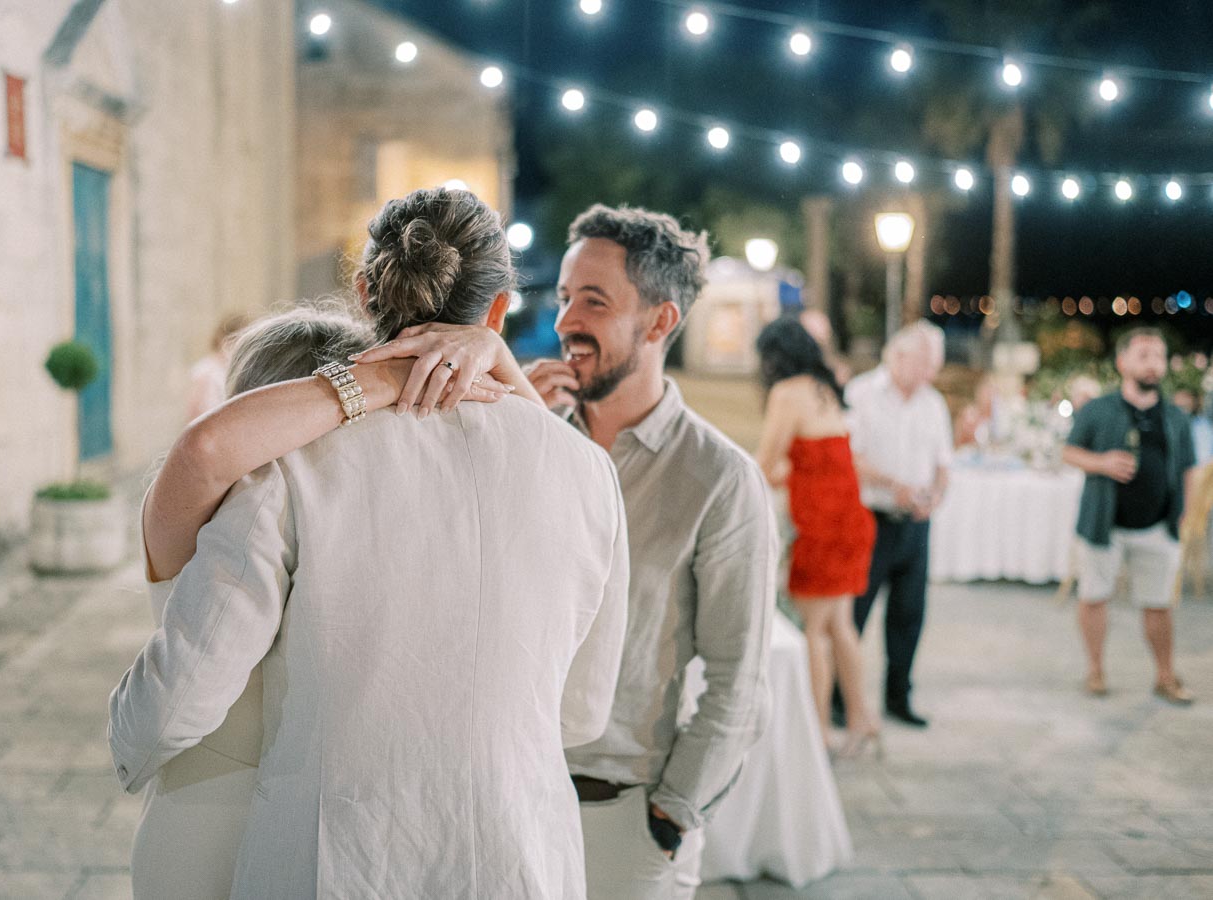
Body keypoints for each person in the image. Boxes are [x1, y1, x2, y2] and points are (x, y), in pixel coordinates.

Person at [110, 187, 632, 898]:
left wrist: (128, 737)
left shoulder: (294, 467)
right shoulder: (588, 473)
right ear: (499, 310)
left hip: (343, 859)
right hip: (518, 858)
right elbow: (581, 711)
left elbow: (183, 696)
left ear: (364, 296)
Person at [361, 203, 778, 900]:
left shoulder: (719, 479)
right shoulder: (525, 433)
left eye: (594, 301)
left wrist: (671, 814)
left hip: (623, 814)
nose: (563, 322)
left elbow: (738, 678)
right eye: (561, 297)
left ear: (660, 321)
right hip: (495, 802)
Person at [128, 305, 380, 900]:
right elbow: (207, 450)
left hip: (317, 825)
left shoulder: (354, 513)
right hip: (210, 808)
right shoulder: (184, 501)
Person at [753, 317, 878, 757]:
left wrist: (790, 475)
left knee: (814, 633)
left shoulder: (787, 393)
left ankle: (819, 733)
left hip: (821, 528)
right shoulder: (827, 389)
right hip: (851, 521)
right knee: (842, 627)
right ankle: (863, 722)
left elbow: (765, 465)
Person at [1061, 327, 1195, 705]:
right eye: (1143, 356)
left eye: (1158, 356)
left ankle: (1165, 676)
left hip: (1157, 526)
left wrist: (1182, 513)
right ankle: (1095, 670)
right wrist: (1100, 463)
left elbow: (1187, 468)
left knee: (1159, 605)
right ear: (1122, 362)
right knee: (1094, 597)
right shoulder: (1097, 410)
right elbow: (1068, 452)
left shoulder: (1175, 416)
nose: (1153, 364)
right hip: (1104, 525)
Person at [842, 322, 952, 729]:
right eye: (926, 364)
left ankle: (898, 696)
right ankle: (841, 698)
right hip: (872, 519)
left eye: (934, 366)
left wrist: (935, 497)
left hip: (916, 527)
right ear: (899, 356)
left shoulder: (933, 404)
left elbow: (944, 465)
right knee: (855, 612)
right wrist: (894, 487)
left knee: (909, 615)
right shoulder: (862, 393)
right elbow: (850, 458)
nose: (931, 374)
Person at [185, 312, 250, 420]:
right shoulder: (206, 369)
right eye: (233, 340)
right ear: (222, 339)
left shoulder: (238, 369)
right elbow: (194, 407)